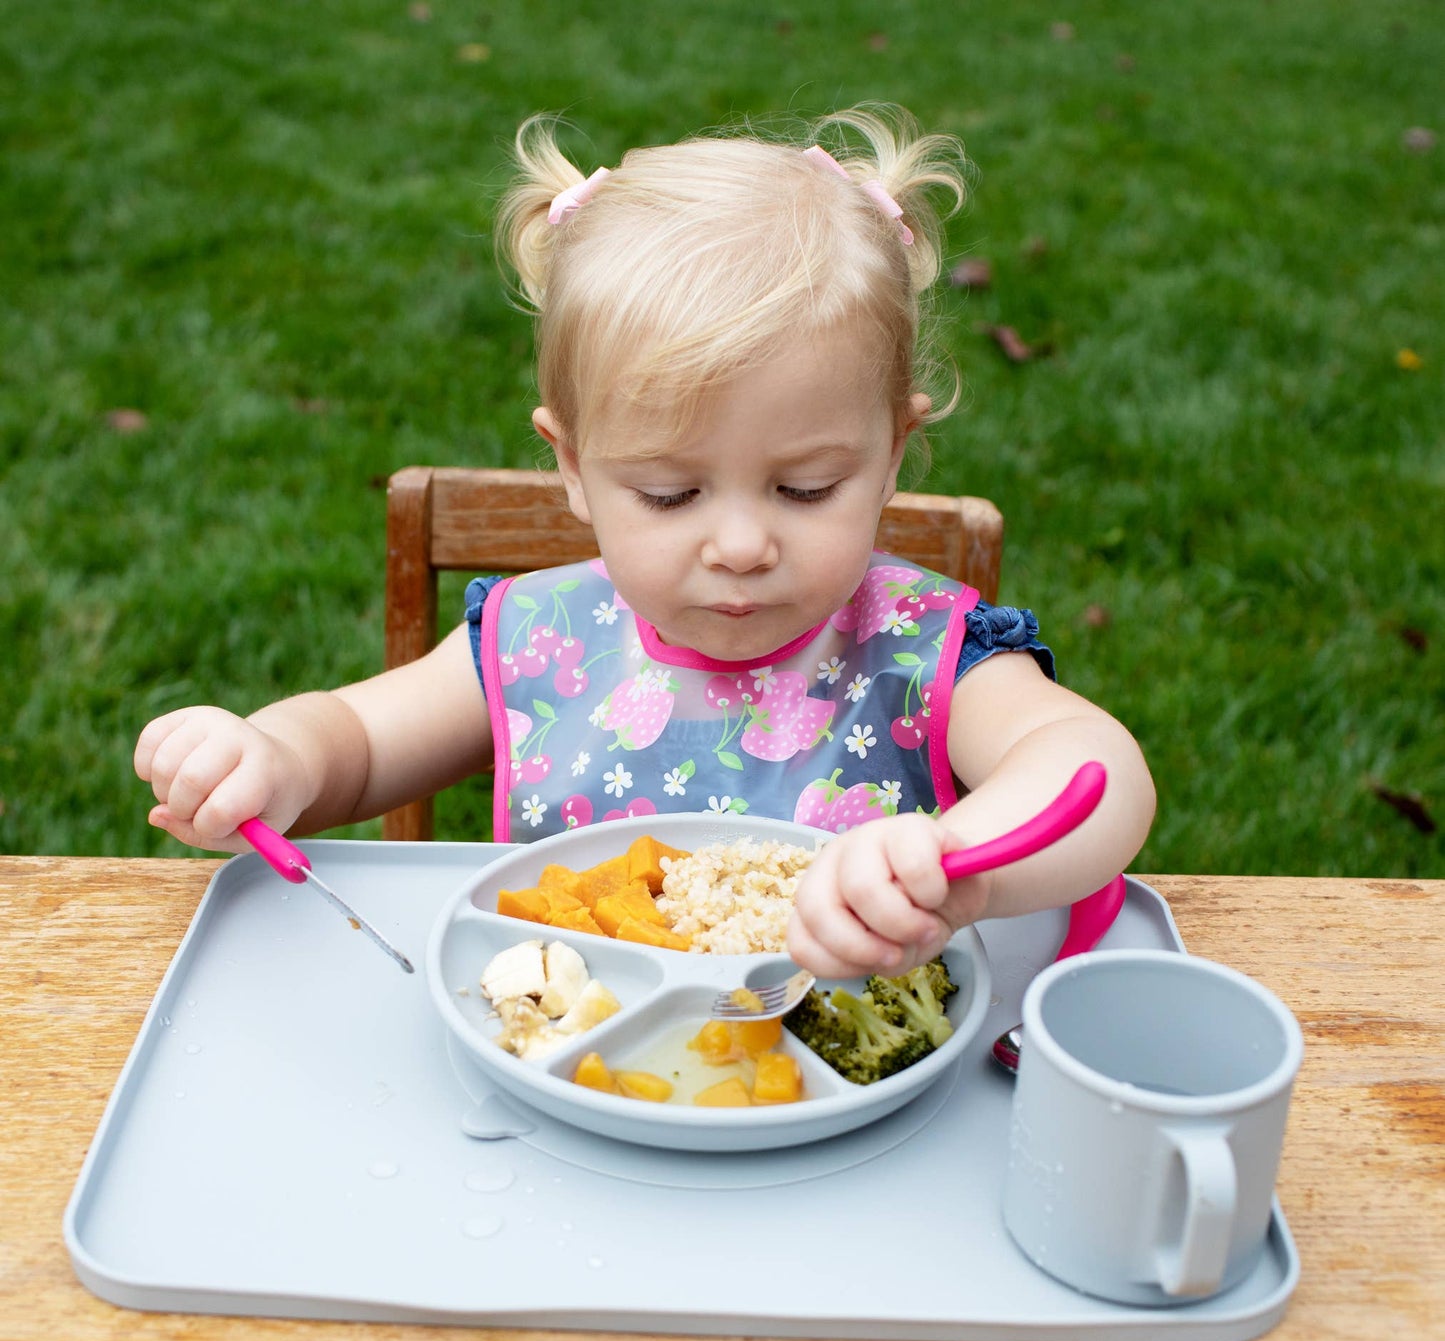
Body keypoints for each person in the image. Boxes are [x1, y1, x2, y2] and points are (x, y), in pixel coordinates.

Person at [135, 105, 1155, 978]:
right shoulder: (541, 638)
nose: (743, 542)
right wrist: (271, 756)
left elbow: (1092, 773)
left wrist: (954, 869)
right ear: (573, 467)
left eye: (806, 486)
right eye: (670, 494)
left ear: (893, 452)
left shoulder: (919, 651)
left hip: (844, 1100)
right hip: (569, 1081)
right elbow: (354, 749)